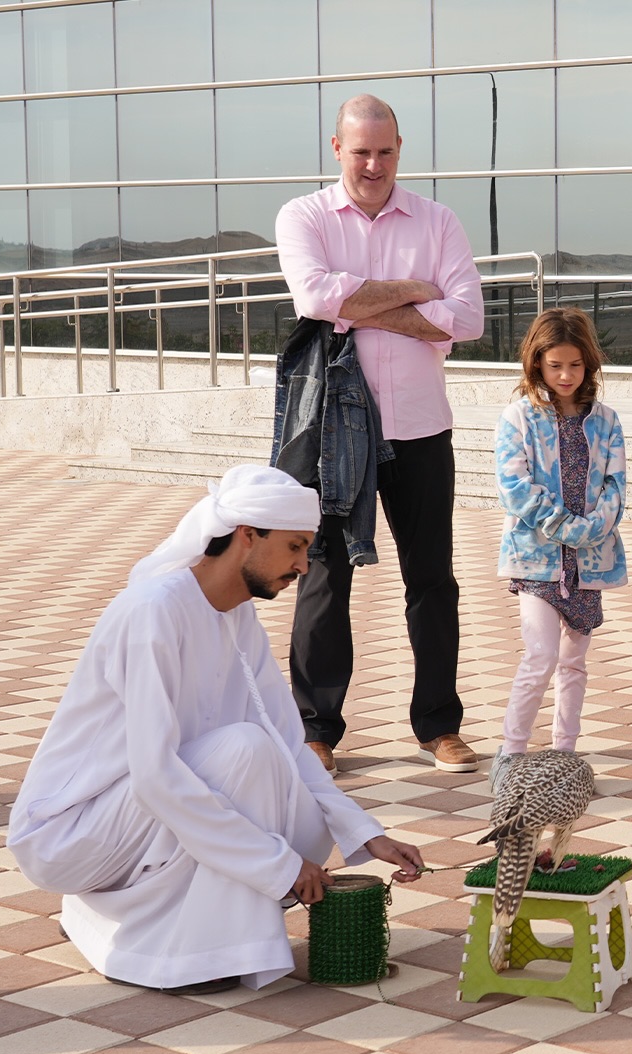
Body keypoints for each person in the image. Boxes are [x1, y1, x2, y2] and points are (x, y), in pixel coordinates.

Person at [7, 465, 424, 994]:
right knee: (244, 754)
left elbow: (287, 743)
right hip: (70, 833)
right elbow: (157, 776)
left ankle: (211, 937)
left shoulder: (235, 614)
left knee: (298, 801)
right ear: (248, 535)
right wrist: (278, 865)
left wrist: (367, 834)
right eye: (295, 547)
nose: (302, 565)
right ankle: (188, 954)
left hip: (134, 816)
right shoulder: (153, 611)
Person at [275, 93, 485, 775]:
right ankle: (317, 731)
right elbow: (314, 298)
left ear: (401, 148)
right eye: (360, 151)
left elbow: (469, 318)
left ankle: (438, 725)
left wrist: (359, 306)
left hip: (422, 428)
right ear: (336, 148)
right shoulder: (303, 215)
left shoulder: (438, 219)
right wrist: (411, 291)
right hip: (336, 433)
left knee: (432, 580)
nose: (373, 164)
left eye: (385, 151)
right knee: (324, 579)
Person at [491, 308, 627, 784]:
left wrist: (591, 530)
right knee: (541, 656)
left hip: (589, 563)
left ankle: (565, 755)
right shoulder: (519, 417)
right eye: (555, 366)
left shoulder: (606, 421)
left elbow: (616, 486)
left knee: (574, 663)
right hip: (536, 560)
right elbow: (514, 485)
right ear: (537, 365)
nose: (566, 375)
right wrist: (567, 526)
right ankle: (510, 755)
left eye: (575, 364)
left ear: (589, 363)